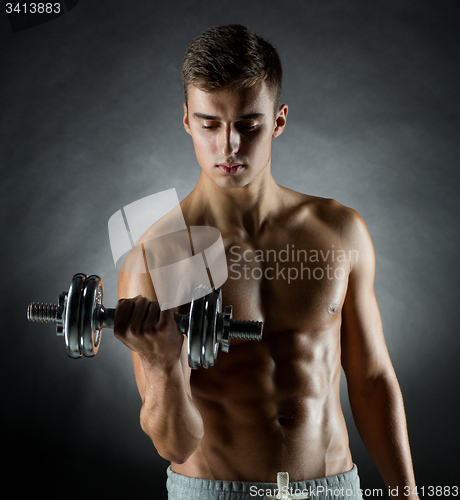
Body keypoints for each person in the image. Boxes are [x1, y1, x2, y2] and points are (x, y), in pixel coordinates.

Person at [114, 24, 418, 500]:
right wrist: (163, 366)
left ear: (278, 120)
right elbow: (175, 444)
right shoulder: (160, 256)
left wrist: (407, 495)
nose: (229, 145)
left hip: (334, 489)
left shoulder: (338, 230)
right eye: (210, 124)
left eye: (248, 124)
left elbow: (372, 380)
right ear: (188, 122)